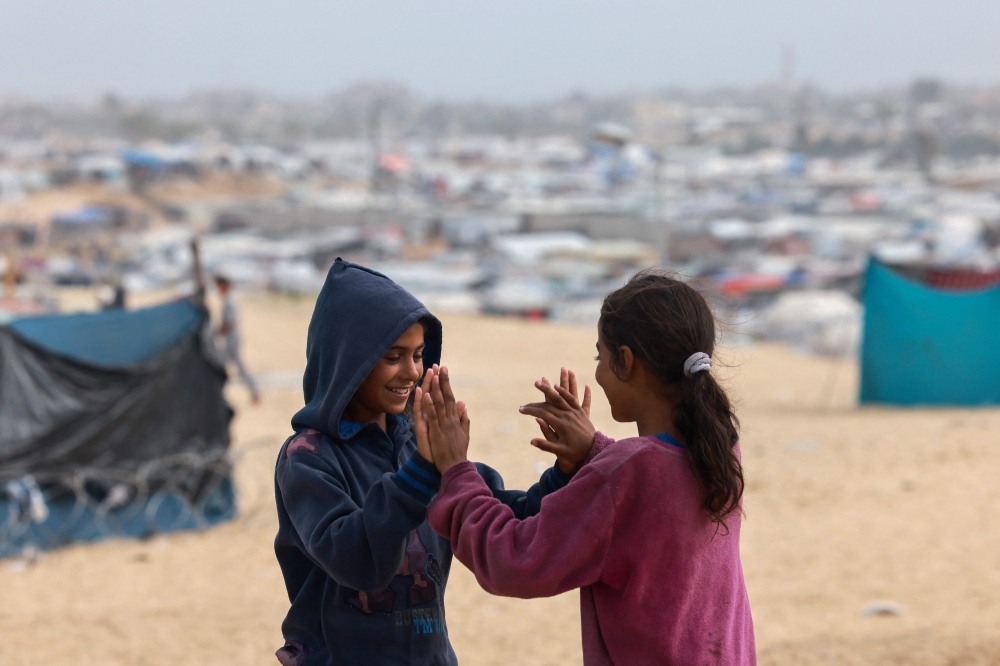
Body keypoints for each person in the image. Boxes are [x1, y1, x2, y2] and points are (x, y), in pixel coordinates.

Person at [417, 269, 756, 666]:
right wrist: (594, 451)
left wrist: (456, 469)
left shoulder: (627, 472)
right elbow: (653, 495)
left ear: (625, 361)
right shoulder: (719, 450)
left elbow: (513, 560)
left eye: (601, 355)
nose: (597, 369)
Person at [272, 259, 580, 666]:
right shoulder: (308, 458)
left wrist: (567, 469)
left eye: (418, 355)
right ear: (349, 361)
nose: (412, 371)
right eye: (393, 356)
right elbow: (356, 559)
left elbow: (507, 518)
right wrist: (422, 471)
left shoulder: (418, 448)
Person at [214, 273, 260, 405]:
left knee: (234, 366)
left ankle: (254, 392)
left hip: (231, 339)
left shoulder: (229, 301)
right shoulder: (229, 299)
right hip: (230, 339)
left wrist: (217, 332)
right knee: (226, 365)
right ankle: (253, 392)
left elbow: (230, 323)